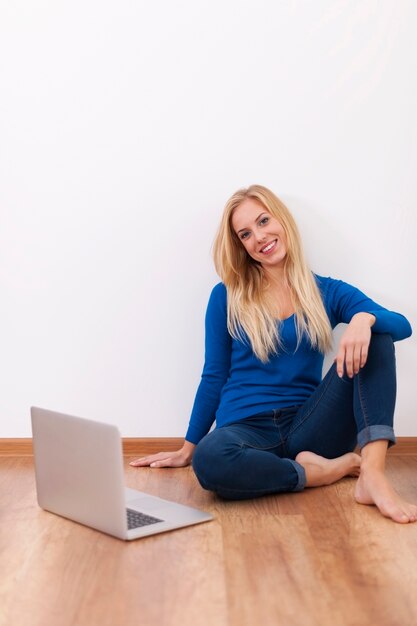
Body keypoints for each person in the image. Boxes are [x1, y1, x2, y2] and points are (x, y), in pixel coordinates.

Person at [130, 185, 415, 523]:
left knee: (378, 335)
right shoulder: (227, 296)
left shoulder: (326, 291)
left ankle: (373, 474)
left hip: (310, 426)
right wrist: (188, 448)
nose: (260, 237)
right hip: (245, 431)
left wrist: (363, 319)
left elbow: (402, 325)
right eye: (246, 234)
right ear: (242, 247)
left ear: (282, 219)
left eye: (264, 221)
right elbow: (214, 375)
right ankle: (316, 473)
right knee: (210, 459)